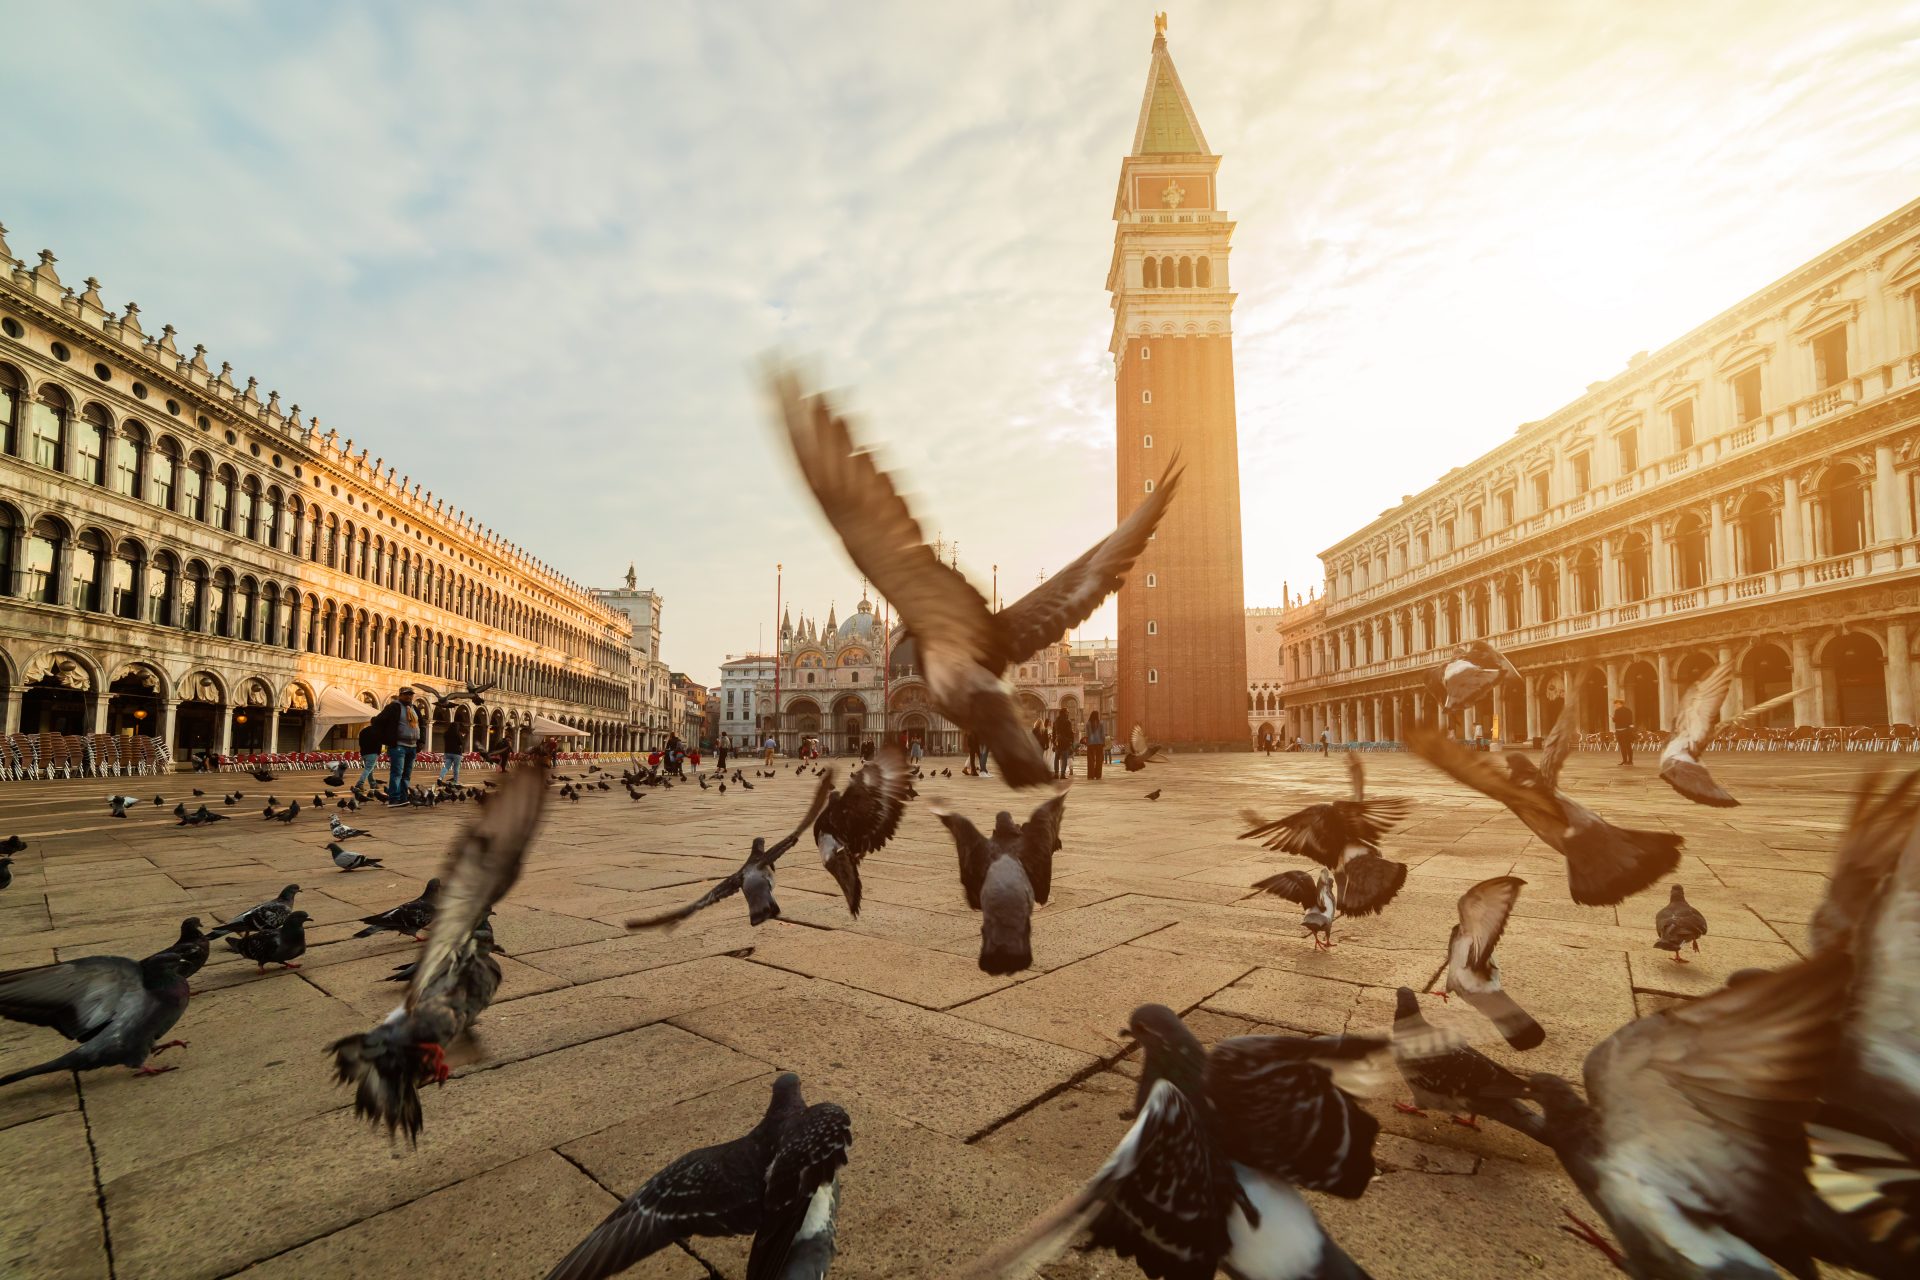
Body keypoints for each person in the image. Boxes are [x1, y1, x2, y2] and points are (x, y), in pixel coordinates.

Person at [368, 686, 423, 804]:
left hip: (412, 746)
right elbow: (377, 722)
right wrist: (386, 739)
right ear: (400, 695)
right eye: (406, 694)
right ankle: (394, 799)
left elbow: (421, 725)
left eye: (410, 694)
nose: (409, 696)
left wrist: (421, 741)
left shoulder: (414, 709)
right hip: (399, 745)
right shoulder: (393, 707)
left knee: (406, 775)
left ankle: (403, 798)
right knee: (397, 773)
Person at [354, 718, 383, 794]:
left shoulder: (363, 731)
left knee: (370, 769)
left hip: (364, 753)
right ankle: (360, 783)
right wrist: (378, 752)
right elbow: (379, 743)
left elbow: (360, 742)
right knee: (368, 769)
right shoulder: (378, 731)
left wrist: (362, 751)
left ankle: (373, 784)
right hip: (373, 753)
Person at [437, 719, 467, 785]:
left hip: (448, 752)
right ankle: (455, 781)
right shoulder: (458, 734)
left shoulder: (446, 733)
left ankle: (440, 778)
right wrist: (462, 737)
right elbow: (461, 742)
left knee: (446, 766)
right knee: (456, 768)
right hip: (457, 753)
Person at [1051, 708, 1075, 780]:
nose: (1068, 713)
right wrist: (1071, 741)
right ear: (1064, 713)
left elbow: (1053, 733)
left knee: (1056, 758)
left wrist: (1054, 742)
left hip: (1057, 742)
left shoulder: (1056, 721)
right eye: (1067, 712)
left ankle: (1056, 774)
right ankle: (1062, 774)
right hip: (1065, 742)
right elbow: (1070, 733)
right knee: (1064, 758)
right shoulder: (1067, 722)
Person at [1612, 698, 1635, 766]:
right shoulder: (1628, 710)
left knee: (1622, 746)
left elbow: (1616, 720)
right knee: (1628, 746)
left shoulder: (1617, 711)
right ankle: (1630, 761)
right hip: (1627, 730)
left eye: (1616, 704)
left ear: (1619, 703)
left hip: (1620, 731)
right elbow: (1630, 721)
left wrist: (1613, 719)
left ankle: (1624, 761)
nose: (1615, 705)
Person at [1084, 712, 1105, 781]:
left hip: (1090, 744)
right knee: (1099, 760)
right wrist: (1103, 743)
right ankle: (1098, 775)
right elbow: (1102, 734)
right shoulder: (1101, 723)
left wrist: (1087, 743)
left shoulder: (1088, 723)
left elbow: (1087, 735)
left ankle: (1091, 775)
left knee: (1090, 760)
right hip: (1099, 744)